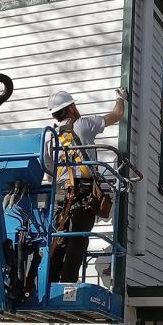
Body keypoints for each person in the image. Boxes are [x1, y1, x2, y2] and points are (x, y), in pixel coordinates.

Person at [45, 87, 127, 283]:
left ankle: (50, 284)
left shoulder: (50, 136)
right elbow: (117, 114)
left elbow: (49, 170)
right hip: (82, 191)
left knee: (59, 239)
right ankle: (68, 286)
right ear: (71, 107)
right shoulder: (83, 124)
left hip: (60, 192)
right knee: (78, 240)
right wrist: (120, 98)